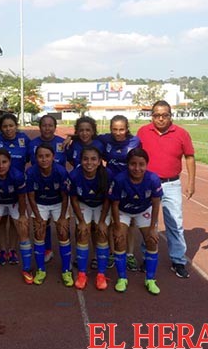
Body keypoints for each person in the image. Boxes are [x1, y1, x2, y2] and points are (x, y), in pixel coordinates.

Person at [137, 100, 196, 279]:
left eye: (165, 115)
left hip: (171, 184)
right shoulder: (143, 132)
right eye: (157, 115)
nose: (161, 119)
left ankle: (178, 260)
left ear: (171, 116)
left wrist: (191, 182)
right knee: (148, 223)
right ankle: (148, 256)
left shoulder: (181, 133)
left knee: (175, 223)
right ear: (151, 116)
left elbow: (189, 157)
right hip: (148, 184)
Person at [109, 148, 163, 295]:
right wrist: (117, 226)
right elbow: (114, 204)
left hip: (143, 210)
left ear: (147, 165)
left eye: (141, 164)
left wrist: (153, 227)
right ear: (127, 164)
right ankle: (122, 278)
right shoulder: (119, 179)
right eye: (133, 164)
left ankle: (150, 279)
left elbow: (156, 203)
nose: (137, 168)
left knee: (152, 240)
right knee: (119, 239)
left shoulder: (153, 179)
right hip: (123, 211)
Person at [98, 115, 141, 271]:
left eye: (121, 129)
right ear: (110, 129)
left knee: (130, 222)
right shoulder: (105, 140)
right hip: (110, 186)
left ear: (127, 128)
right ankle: (111, 253)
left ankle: (129, 254)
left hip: (129, 186)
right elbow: (88, 137)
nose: (118, 133)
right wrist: (73, 137)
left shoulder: (135, 141)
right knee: (111, 221)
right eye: (114, 129)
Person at [0, 149, 31, 284]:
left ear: (10, 162)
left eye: (4, 162)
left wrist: (22, 216)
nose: (1, 166)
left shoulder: (17, 175)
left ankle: (26, 269)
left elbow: (22, 197)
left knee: (23, 228)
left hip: (14, 202)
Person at [26, 144, 72, 286]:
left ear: (53, 157)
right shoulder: (31, 172)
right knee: (39, 231)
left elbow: (65, 197)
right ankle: (41, 270)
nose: (44, 159)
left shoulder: (61, 171)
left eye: (47, 156)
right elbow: (31, 197)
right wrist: (38, 217)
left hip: (58, 203)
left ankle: (66, 270)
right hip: (40, 203)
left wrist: (63, 217)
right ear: (36, 158)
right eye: (40, 156)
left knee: (63, 232)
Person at [0, 113, 31, 265]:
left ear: (16, 126)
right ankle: (3, 250)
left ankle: (13, 250)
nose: (8, 129)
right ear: (1, 128)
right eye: (5, 126)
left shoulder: (24, 139)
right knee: (1, 220)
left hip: (18, 186)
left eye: (11, 126)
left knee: (16, 222)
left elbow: (29, 158)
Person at [69, 146, 111, 290]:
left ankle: (101, 274)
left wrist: (102, 221)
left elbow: (108, 199)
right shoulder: (75, 175)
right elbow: (74, 199)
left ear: (99, 162)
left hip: (101, 205)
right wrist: (81, 221)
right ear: (81, 160)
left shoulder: (107, 174)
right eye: (85, 159)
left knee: (102, 233)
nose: (89, 163)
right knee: (82, 232)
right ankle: (82, 274)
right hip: (84, 203)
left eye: (93, 159)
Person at [27, 114, 66, 264]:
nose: (47, 128)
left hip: (58, 190)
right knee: (42, 224)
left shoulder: (63, 143)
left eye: (50, 125)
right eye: (44, 125)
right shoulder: (32, 144)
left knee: (62, 225)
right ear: (40, 127)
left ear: (55, 127)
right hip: (39, 189)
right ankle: (47, 249)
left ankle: (65, 258)